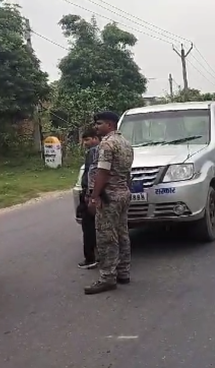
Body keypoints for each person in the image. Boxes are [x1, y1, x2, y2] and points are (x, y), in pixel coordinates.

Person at [85, 111, 134, 295]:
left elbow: (102, 173)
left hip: (109, 196)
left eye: (99, 123)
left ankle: (107, 277)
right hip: (123, 193)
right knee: (122, 233)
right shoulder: (126, 143)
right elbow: (127, 172)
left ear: (110, 125)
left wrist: (94, 196)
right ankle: (123, 272)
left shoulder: (107, 144)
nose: (96, 127)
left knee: (106, 237)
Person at [77, 127, 100, 269]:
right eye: (84, 140)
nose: (85, 143)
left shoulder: (94, 152)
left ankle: (90, 258)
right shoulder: (98, 150)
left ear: (95, 139)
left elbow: (92, 173)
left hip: (90, 193)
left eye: (87, 139)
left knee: (89, 226)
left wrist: (90, 195)